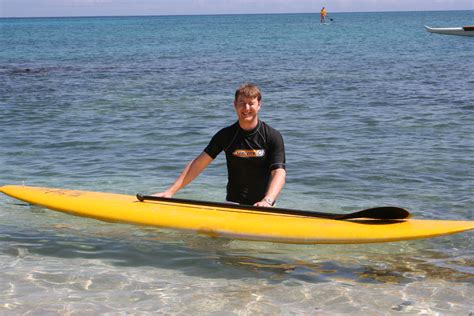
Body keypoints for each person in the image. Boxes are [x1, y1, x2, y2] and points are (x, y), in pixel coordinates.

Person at [152, 83, 286, 207]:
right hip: (232, 204)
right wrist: (170, 192)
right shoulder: (226, 135)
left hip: (263, 206)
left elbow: (279, 172)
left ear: (259, 105)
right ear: (235, 105)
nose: (246, 108)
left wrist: (268, 200)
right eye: (242, 103)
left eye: (251, 103)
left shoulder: (272, 136)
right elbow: (198, 164)